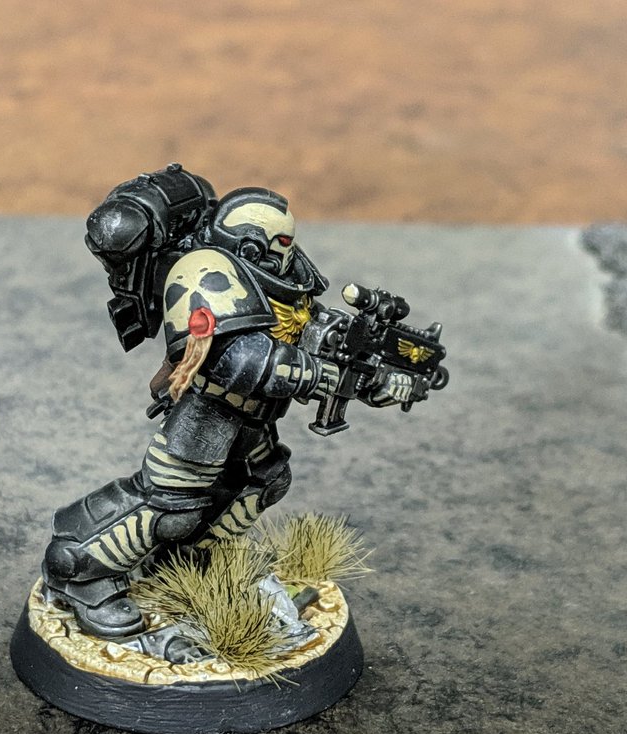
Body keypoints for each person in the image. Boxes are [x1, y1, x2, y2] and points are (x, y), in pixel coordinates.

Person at [42, 174, 414, 638]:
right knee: (170, 506)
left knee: (265, 481)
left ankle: (197, 561)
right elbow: (239, 361)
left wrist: (377, 382)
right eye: (277, 243)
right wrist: (324, 375)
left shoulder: (282, 278)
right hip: (208, 414)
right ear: (251, 243)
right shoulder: (204, 270)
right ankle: (79, 564)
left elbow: (319, 338)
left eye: (288, 243)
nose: (286, 253)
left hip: (253, 418)